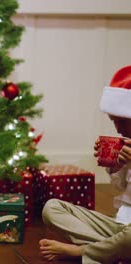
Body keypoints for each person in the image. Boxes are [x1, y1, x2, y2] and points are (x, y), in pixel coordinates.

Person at [40, 65, 131, 263]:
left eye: (122, 122)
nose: (118, 128)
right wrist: (117, 166)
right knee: (52, 208)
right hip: (121, 226)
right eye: (114, 121)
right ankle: (112, 252)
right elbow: (121, 190)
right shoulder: (127, 145)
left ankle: (81, 252)